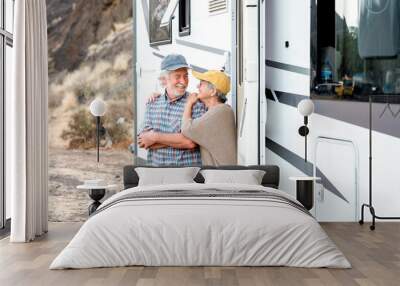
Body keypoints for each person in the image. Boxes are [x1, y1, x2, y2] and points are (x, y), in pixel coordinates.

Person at [138, 54, 206, 166]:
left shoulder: (196, 104)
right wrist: (179, 140)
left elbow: (191, 142)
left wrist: (155, 137)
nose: (183, 82)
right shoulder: (152, 103)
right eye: (178, 76)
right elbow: (144, 142)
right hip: (158, 175)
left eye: (186, 76)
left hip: (187, 176)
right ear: (165, 79)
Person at [181, 70, 237, 166]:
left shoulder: (220, 111)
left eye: (201, 84)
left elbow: (187, 129)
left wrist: (189, 103)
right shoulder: (220, 111)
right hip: (221, 175)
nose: (197, 86)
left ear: (213, 91)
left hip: (221, 177)